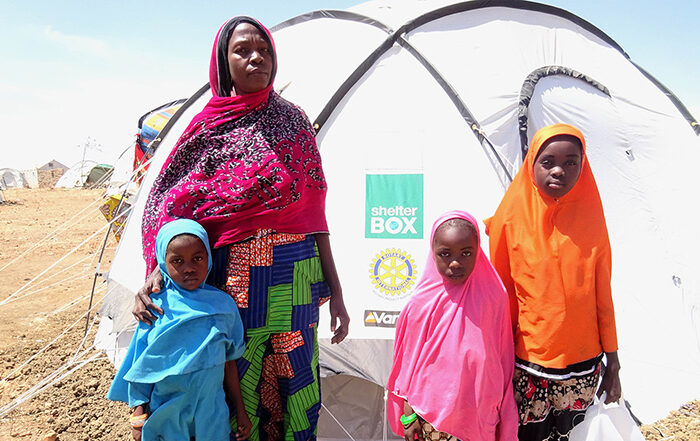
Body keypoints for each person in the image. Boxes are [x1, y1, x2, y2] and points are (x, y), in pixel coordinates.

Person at [132, 16, 349, 441]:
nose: (257, 58)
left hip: (297, 279)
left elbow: (314, 213)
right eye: (243, 51)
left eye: (264, 50)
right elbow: (170, 205)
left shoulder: (294, 122)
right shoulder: (205, 129)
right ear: (221, 62)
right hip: (233, 286)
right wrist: (155, 269)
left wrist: (336, 290)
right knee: (237, 387)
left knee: (298, 387)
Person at [485, 123, 622, 441]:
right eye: (548, 162)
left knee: (577, 434)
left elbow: (602, 293)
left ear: (582, 165)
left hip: (584, 366)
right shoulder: (510, 220)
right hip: (530, 365)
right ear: (532, 163)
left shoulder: (591, 220)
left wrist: (613, 362)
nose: (559, 171)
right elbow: (502, 294)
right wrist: (497, 361)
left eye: (571, 162)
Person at [107, 218, 250, 441]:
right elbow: (141, 365)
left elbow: (229, 362)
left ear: (209, 258)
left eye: (198, 258)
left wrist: (240, 410)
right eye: (177, 261)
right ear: (163, 264)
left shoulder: (223, 306)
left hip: (211, 412)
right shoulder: (154, 306)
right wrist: (137, 418)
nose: (189, 268)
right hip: (167, 414)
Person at [387, 210, 518, 441]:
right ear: (433, 253)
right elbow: (408, 361)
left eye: (466, 253)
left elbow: (503, 356)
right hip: (430, 416)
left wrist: (502, 409)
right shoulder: (422, 301)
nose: (455, 262)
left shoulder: (494, 296)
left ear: (478, 252)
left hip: (479, 413)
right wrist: (408, 413)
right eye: (445, 254)